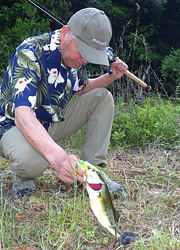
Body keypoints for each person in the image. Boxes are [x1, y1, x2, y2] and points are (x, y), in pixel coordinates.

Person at [0, 7, 128, 196]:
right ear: (65, 33)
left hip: (49, 121)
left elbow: (81, 89)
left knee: (102, 97)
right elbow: (22, 113)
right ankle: (24, 177)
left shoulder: (77, 58)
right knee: (34, 163)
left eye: (91, 55)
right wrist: (59, 159)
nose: (85, 59)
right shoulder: (30, 52)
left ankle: (91, 174)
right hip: (12, 125)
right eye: (84, 51)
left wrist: (111, 77)